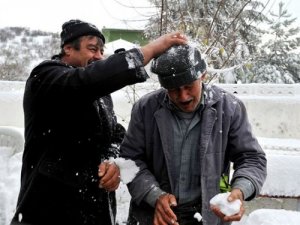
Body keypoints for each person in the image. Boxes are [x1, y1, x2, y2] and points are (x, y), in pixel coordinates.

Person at [10, 19, 187, 225]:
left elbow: (115, 134)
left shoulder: (100, 95)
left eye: (102, 51)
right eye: (92, 49)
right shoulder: (46, 78)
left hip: (94, 212)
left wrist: (111, 160)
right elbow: (86, 81)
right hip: (48, 212)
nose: (99, 56)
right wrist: (150, 50)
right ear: (68, 48)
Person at [120, 44, 267, 225]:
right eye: (173, 89)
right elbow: (129, 160)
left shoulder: (230, 108)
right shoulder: (145, 108)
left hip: (208, 215)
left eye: (189, 86)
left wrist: (240, 189)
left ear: (202, 75)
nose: (183, 96)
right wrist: (154, 195)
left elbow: (251, 158)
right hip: (153, 216)